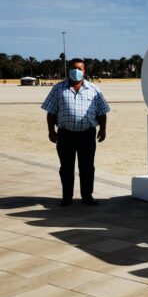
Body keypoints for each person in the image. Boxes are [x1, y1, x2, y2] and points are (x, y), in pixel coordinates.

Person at [42, 58, 110, 206]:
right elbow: (51, 113)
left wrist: (103, 129)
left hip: (87, 134)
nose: (76, 71)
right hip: (65, 135)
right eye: (73, 68)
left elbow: (102, 112)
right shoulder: (58, 88)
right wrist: (51, 131)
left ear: (84, 71)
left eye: (79, 69)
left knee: (87, 167)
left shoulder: (94, 89)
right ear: (68, 70)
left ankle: (87, 196)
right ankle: (67, 197)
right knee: (66, 168)